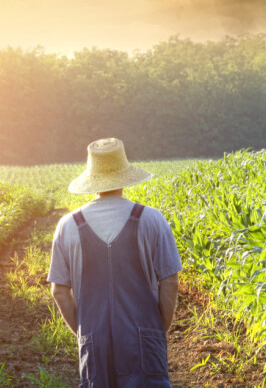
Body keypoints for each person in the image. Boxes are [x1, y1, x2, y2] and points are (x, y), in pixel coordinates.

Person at [47, 138, 181, 387]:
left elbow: (59, 291)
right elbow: (170, 281)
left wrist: (82, 332)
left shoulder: (67, 226)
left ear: (92, 178)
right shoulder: (152, 219)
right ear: (124, 175)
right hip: (144, 338)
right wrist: (158, 330)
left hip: (93, 340)